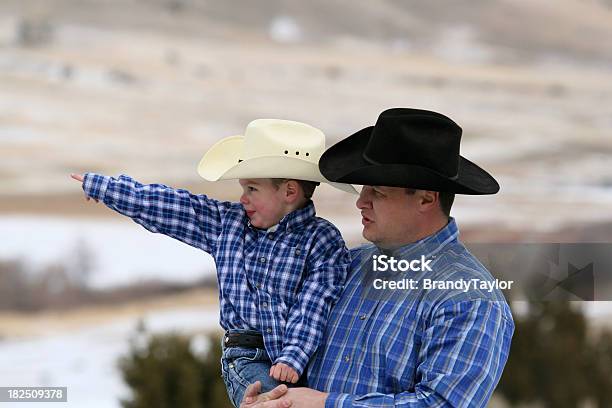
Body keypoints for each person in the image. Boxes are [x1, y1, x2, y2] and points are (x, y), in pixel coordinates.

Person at [239, 108, 515, 408]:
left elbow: (440, 404)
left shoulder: (470, 300)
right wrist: (268, 399)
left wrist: (326, 404)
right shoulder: (342, 265)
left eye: (378, 192)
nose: (360, 200)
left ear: (426, 198)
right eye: (363, 188)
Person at [70, 119, 354, 407]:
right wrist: (108, 189)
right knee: (279, 404)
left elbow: (315, 302)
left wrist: (294, 354)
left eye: (252, 189)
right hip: (246, 357)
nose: (242, 198)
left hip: (302, 358)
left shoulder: (323, 240)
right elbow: (173, 207)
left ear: (290, 192)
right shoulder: (228, 223)